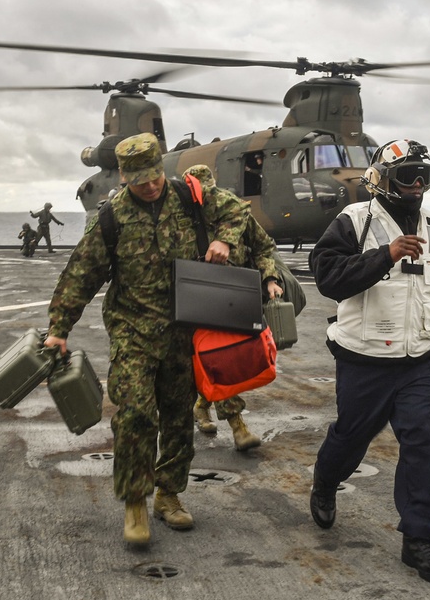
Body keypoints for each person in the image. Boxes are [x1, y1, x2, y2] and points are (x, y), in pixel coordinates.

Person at [43, 133, 246, 546]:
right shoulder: (111, 217)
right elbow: (81, 274)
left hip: (183, 329)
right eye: (140, 180)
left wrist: (224, 238)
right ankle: (136, 499)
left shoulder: (189, 197)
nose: (150, 186)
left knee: (176, 416)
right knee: (135, 415)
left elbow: (237, 212)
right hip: (133, 329)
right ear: (123, 176)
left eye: (154, 177)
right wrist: (58, 330)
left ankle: (169, 495)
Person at [308, 139, 430, 586]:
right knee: (351, 437)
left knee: (426, 444)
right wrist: (387, 255)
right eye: (406, 176)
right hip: (364, 360)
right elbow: (328, 279)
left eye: (424, 177)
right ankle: (326, 481)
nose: (416, 186)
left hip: (418, 361)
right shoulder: (354, 222)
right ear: (381, 179)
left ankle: (418, 540)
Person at [182, 164, 283, 451]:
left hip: (233, 297)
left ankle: (202, 406)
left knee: (228, 357)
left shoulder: (238, 215)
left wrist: (270, 279)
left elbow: (263, 247)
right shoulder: (182, 220)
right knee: (214, 358)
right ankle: (238, 427)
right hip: (198, 298)